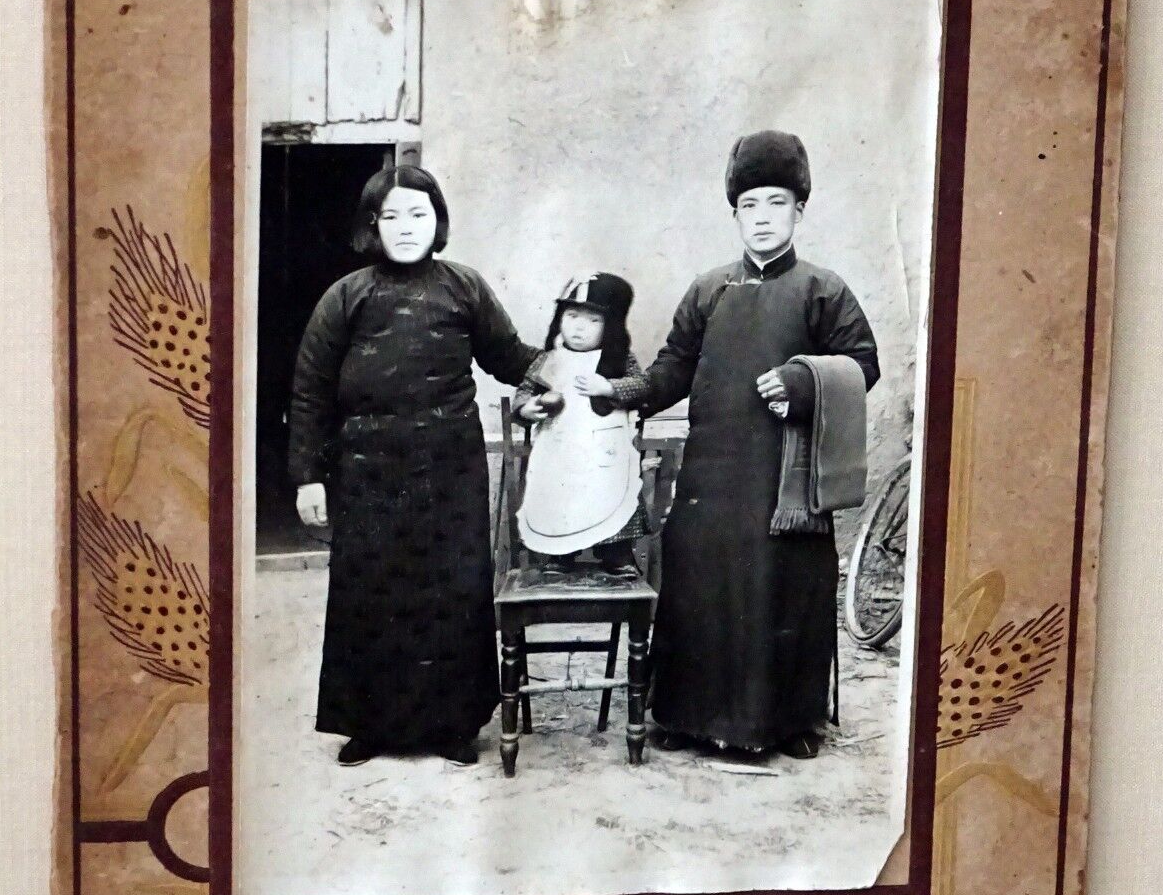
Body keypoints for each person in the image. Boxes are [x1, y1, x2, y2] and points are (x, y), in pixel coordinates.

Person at [584, 131, 879, 759]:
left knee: (783, 587)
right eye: (750, 205)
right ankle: (686, 716)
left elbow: (862, 364)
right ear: (735, 214)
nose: (763, 218)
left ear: (800, 210)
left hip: (785, 481)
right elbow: (672, 369)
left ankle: (789, 723)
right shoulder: (709, 289)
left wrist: (803, 383)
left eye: (777, 203)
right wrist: (621, 392)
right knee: (698, 580)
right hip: (713, 475)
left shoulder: (822, 290)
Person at [288, 163, 542, 767]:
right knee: (370, 594)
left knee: (450, 593)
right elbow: (309, 393)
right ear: (373, 226)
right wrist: (308, 477)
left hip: (449, 468)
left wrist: (575, 369)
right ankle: (371, 726)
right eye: (392, 216)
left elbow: (512, 359)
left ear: (438, 222)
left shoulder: (465, 287)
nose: (406, 228)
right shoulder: (346, 296)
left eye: (418, 214)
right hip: (366, 472)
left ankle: (452, 725)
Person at [513, 273, 649, 578]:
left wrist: (609, 388)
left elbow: (641, 385)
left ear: (610, 326)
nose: (579, 327)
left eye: (592, 321)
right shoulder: (550, 359)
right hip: (561, 447)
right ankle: (560, 555)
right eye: (571, 316)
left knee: (611, 494)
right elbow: (525, 390)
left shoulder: (619, 360)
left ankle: (616, 554)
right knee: (560, 496)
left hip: (603, 449)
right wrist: (528, 407)